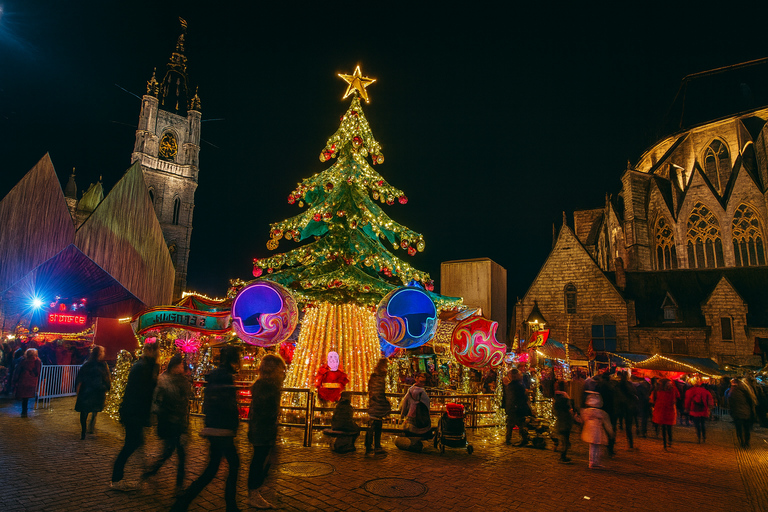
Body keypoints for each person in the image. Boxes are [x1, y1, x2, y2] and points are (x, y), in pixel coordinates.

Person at [172, 346, 241, 512]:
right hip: (222, 429)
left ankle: (183, 502)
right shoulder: (226, 377)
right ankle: (230, 505)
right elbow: (227, 404)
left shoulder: (216, 375)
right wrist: (233, 423)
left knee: (212, 469)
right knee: (230, 465)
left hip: (214, 427)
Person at [110, 341, 159, 490]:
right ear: (151, 351)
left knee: (136, 443)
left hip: (134, 412)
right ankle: (117, 479)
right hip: (134, 412)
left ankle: (144, 474)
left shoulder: (145, 366)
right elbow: (142, 392)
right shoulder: (142, 367)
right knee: (131, 445)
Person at [141, 353, 193, 491]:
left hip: (177, 422)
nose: (183, 367)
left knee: (176, 453)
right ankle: (175, 484)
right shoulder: (165, 381)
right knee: (171, 452)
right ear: (175, 367)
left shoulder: (180, 380)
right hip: (171, 422)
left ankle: (175, 482)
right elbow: (161, 402)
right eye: (181, 365)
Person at [247, 354, 286, 509]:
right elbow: (265, 412)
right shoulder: (268, 388)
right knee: (259, 462)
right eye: (280, 369)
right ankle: (254, 493)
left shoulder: (265, 386)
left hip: (262, 430)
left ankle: (256, 491)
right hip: (263, 431)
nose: (283, 372)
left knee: (262, 461)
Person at [74, 345, 111, 439]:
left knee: (86, 411)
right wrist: (107, 386)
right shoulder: (101, 365)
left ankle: (85, 429)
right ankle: (87, 428)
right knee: (90, 410)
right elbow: (106, 377)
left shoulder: (88, 364)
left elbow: (80, 377)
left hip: (88, 390)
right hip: (94, 390)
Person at [395, 373, 432, 452]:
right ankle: (417, 443)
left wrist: (402, 415)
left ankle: (412, 443)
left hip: (411, 416)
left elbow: (404, 403)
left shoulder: (410, 390)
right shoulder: (422, 392)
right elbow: (427, 404)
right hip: (420, 417)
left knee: (411, 429)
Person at [580, 391, 614, 469]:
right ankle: (594, 461)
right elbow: (606, 423)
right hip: (597, 430)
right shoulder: (600, 412)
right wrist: (610, 431)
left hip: (589, 430)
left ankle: (592, 461)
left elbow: (582, 419)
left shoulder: (587, 411)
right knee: (596, 446)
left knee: (592, 446)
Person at [365, 358, 392, 455]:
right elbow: (379, 393)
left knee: (372, 425)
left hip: (373, 404)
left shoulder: (373, 377)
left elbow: (371, 391)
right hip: (377, 405)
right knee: (377, 426)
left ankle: (369, 445)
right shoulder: (379, 378)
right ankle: (376, 446)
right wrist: (385, 404)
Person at [502, 368, 531, 446]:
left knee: (512, 424)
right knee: (519, 424)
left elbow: (507, 397)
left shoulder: (511, 386)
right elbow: (522, 397)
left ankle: (509, 439)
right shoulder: (518, 385)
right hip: (516, 408)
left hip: (513, 407)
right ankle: (523, 438)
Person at [651, 378, 679, 451]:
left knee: (663, 427)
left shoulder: (657, 390)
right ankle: (669, 441)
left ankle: (664, 443)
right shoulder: (672, 390)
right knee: (669, 427)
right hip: (669, 410)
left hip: (660, 409)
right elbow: (674, 399)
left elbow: (653, 399)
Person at [13, 348, 42, 417]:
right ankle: (25, 411)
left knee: (24, 397)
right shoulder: (37, 361)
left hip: (23, 379)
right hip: (32, 380)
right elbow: (38, 372)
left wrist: (15, 380)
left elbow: (18, 371)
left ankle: (24, 411)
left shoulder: (23, 360)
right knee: (28, 396)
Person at [728, 378, 757, 448]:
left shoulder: (731, 392)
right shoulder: (746, 390)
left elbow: (730, 404)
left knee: (739, 429)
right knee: (746, 429)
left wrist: (731, 412)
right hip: (746, 413)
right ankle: (747, 442)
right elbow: (751, 401)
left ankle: (741, 441)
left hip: (737, 414)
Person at [684, 378, 714, 443]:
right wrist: (710, 407)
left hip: (694, 410)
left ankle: (699, 437)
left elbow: (688, 400)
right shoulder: (705, 391)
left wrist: (687, 408)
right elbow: (710, 400)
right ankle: (704, 436)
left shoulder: (690, 391)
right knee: (703, 424)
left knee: (697, 424)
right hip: (704, 410)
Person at [614, 371, 638, 450]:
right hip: (628, 407)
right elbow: (633, 394)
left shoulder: (618, 385)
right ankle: (630, 443)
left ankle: (613, 442)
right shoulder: (629, 385)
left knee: (615, 424)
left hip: (621, 406)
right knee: (628, 426)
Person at [595, 372, 617, 455]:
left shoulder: (599, 386)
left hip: (602, 408)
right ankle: (610, 447)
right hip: (611, 409)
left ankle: (603, 445)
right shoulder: (612, 387)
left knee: (602, 428)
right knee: (611, 428)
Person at [553, 381, 574, 463]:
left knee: (563, 439)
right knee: (565, 440)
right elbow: (569, 409)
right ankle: (563, 456)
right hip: (565, 422)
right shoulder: (565, 400)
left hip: (560, 422)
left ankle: (563, 455)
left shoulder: (556, 401)